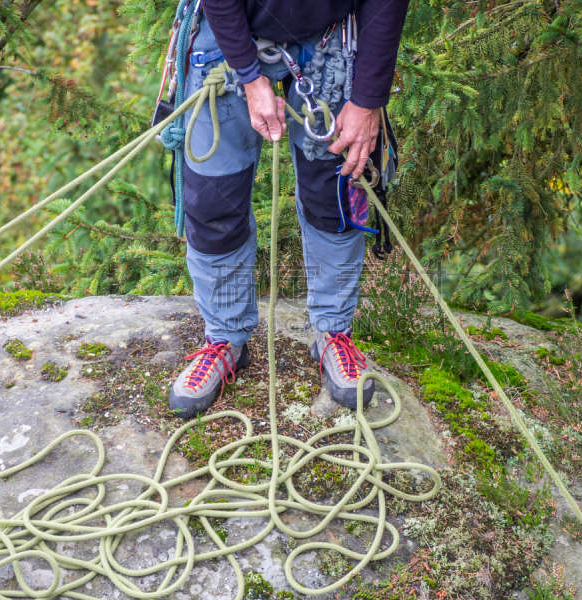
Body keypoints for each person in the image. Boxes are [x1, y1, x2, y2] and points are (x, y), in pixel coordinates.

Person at [168, 0, 409, 419]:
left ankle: (333, 331)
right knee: (212, 197)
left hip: (331, 34)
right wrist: (248, 74)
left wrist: (367, 100)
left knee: (334, 194)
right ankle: (225, 339)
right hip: (228, 34)